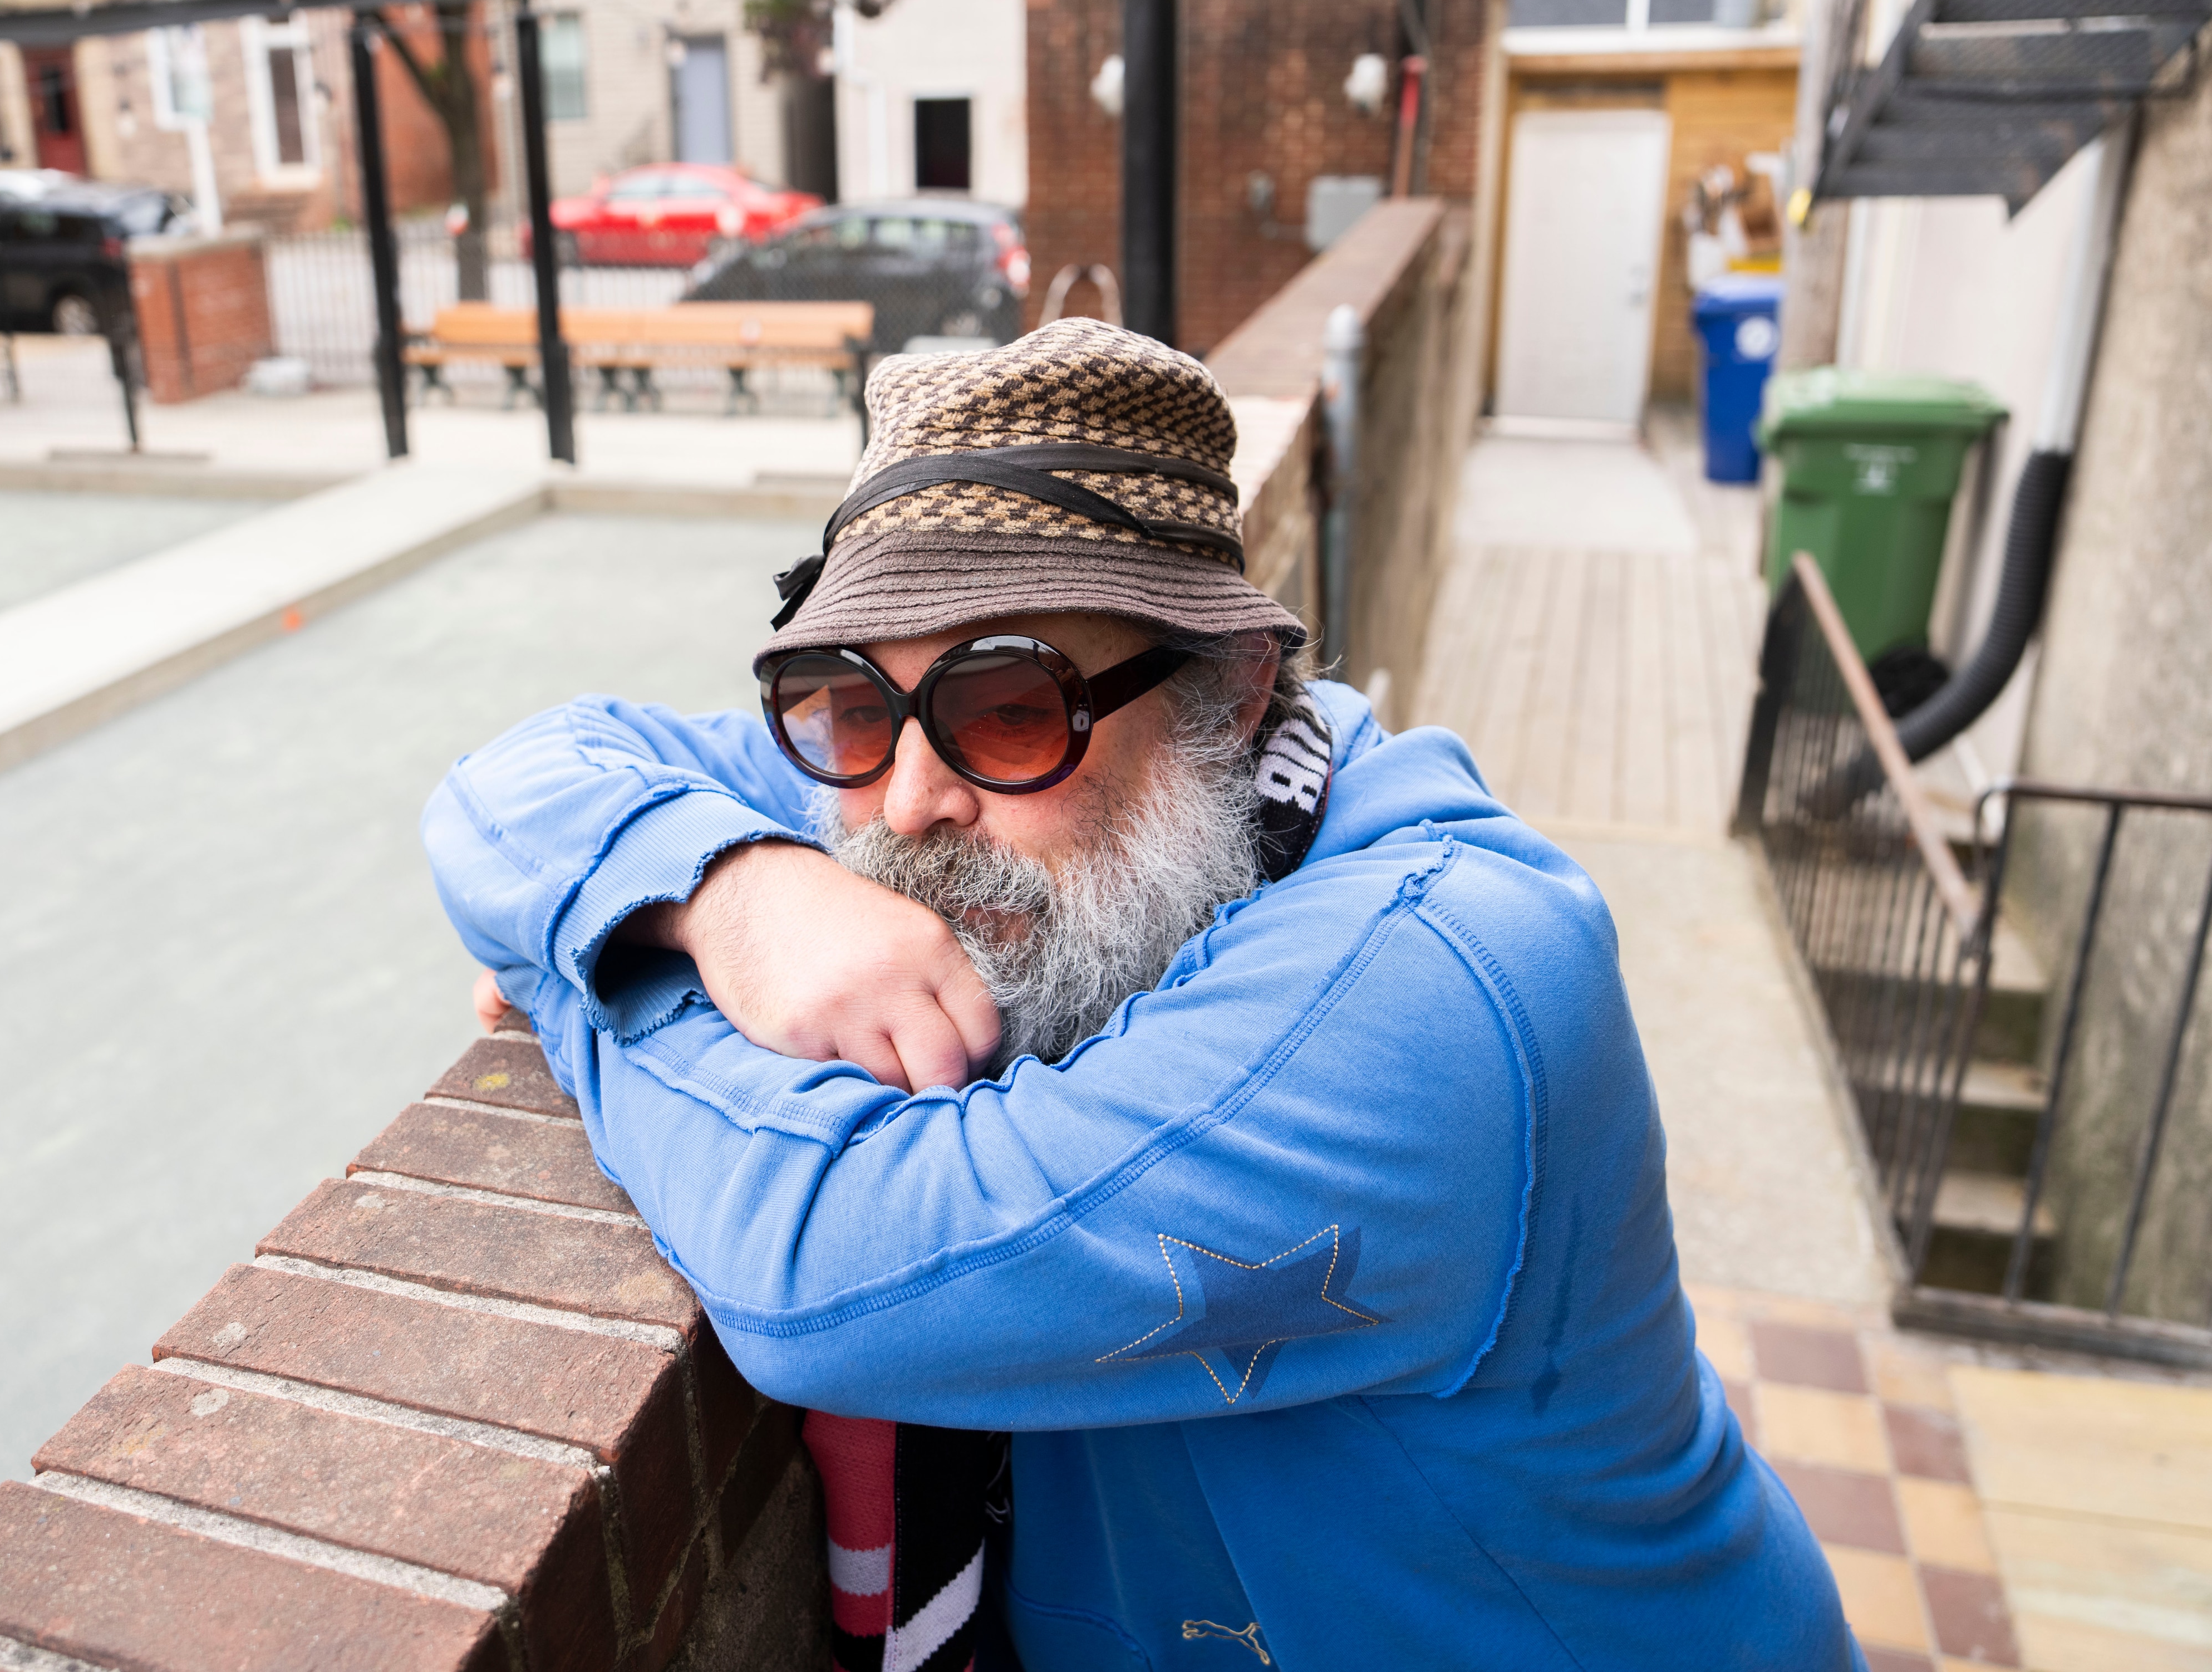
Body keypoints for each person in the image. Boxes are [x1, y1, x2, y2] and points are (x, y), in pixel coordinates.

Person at [426, 320, 1859, 1671]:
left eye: (1007, 706)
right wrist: (731, 891)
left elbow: (822, 1273)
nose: (908, 802)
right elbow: (517, 779)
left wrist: (600, 966)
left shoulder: (1448, 988)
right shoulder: (999, 793)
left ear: (1227, 698)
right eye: (850, 701)